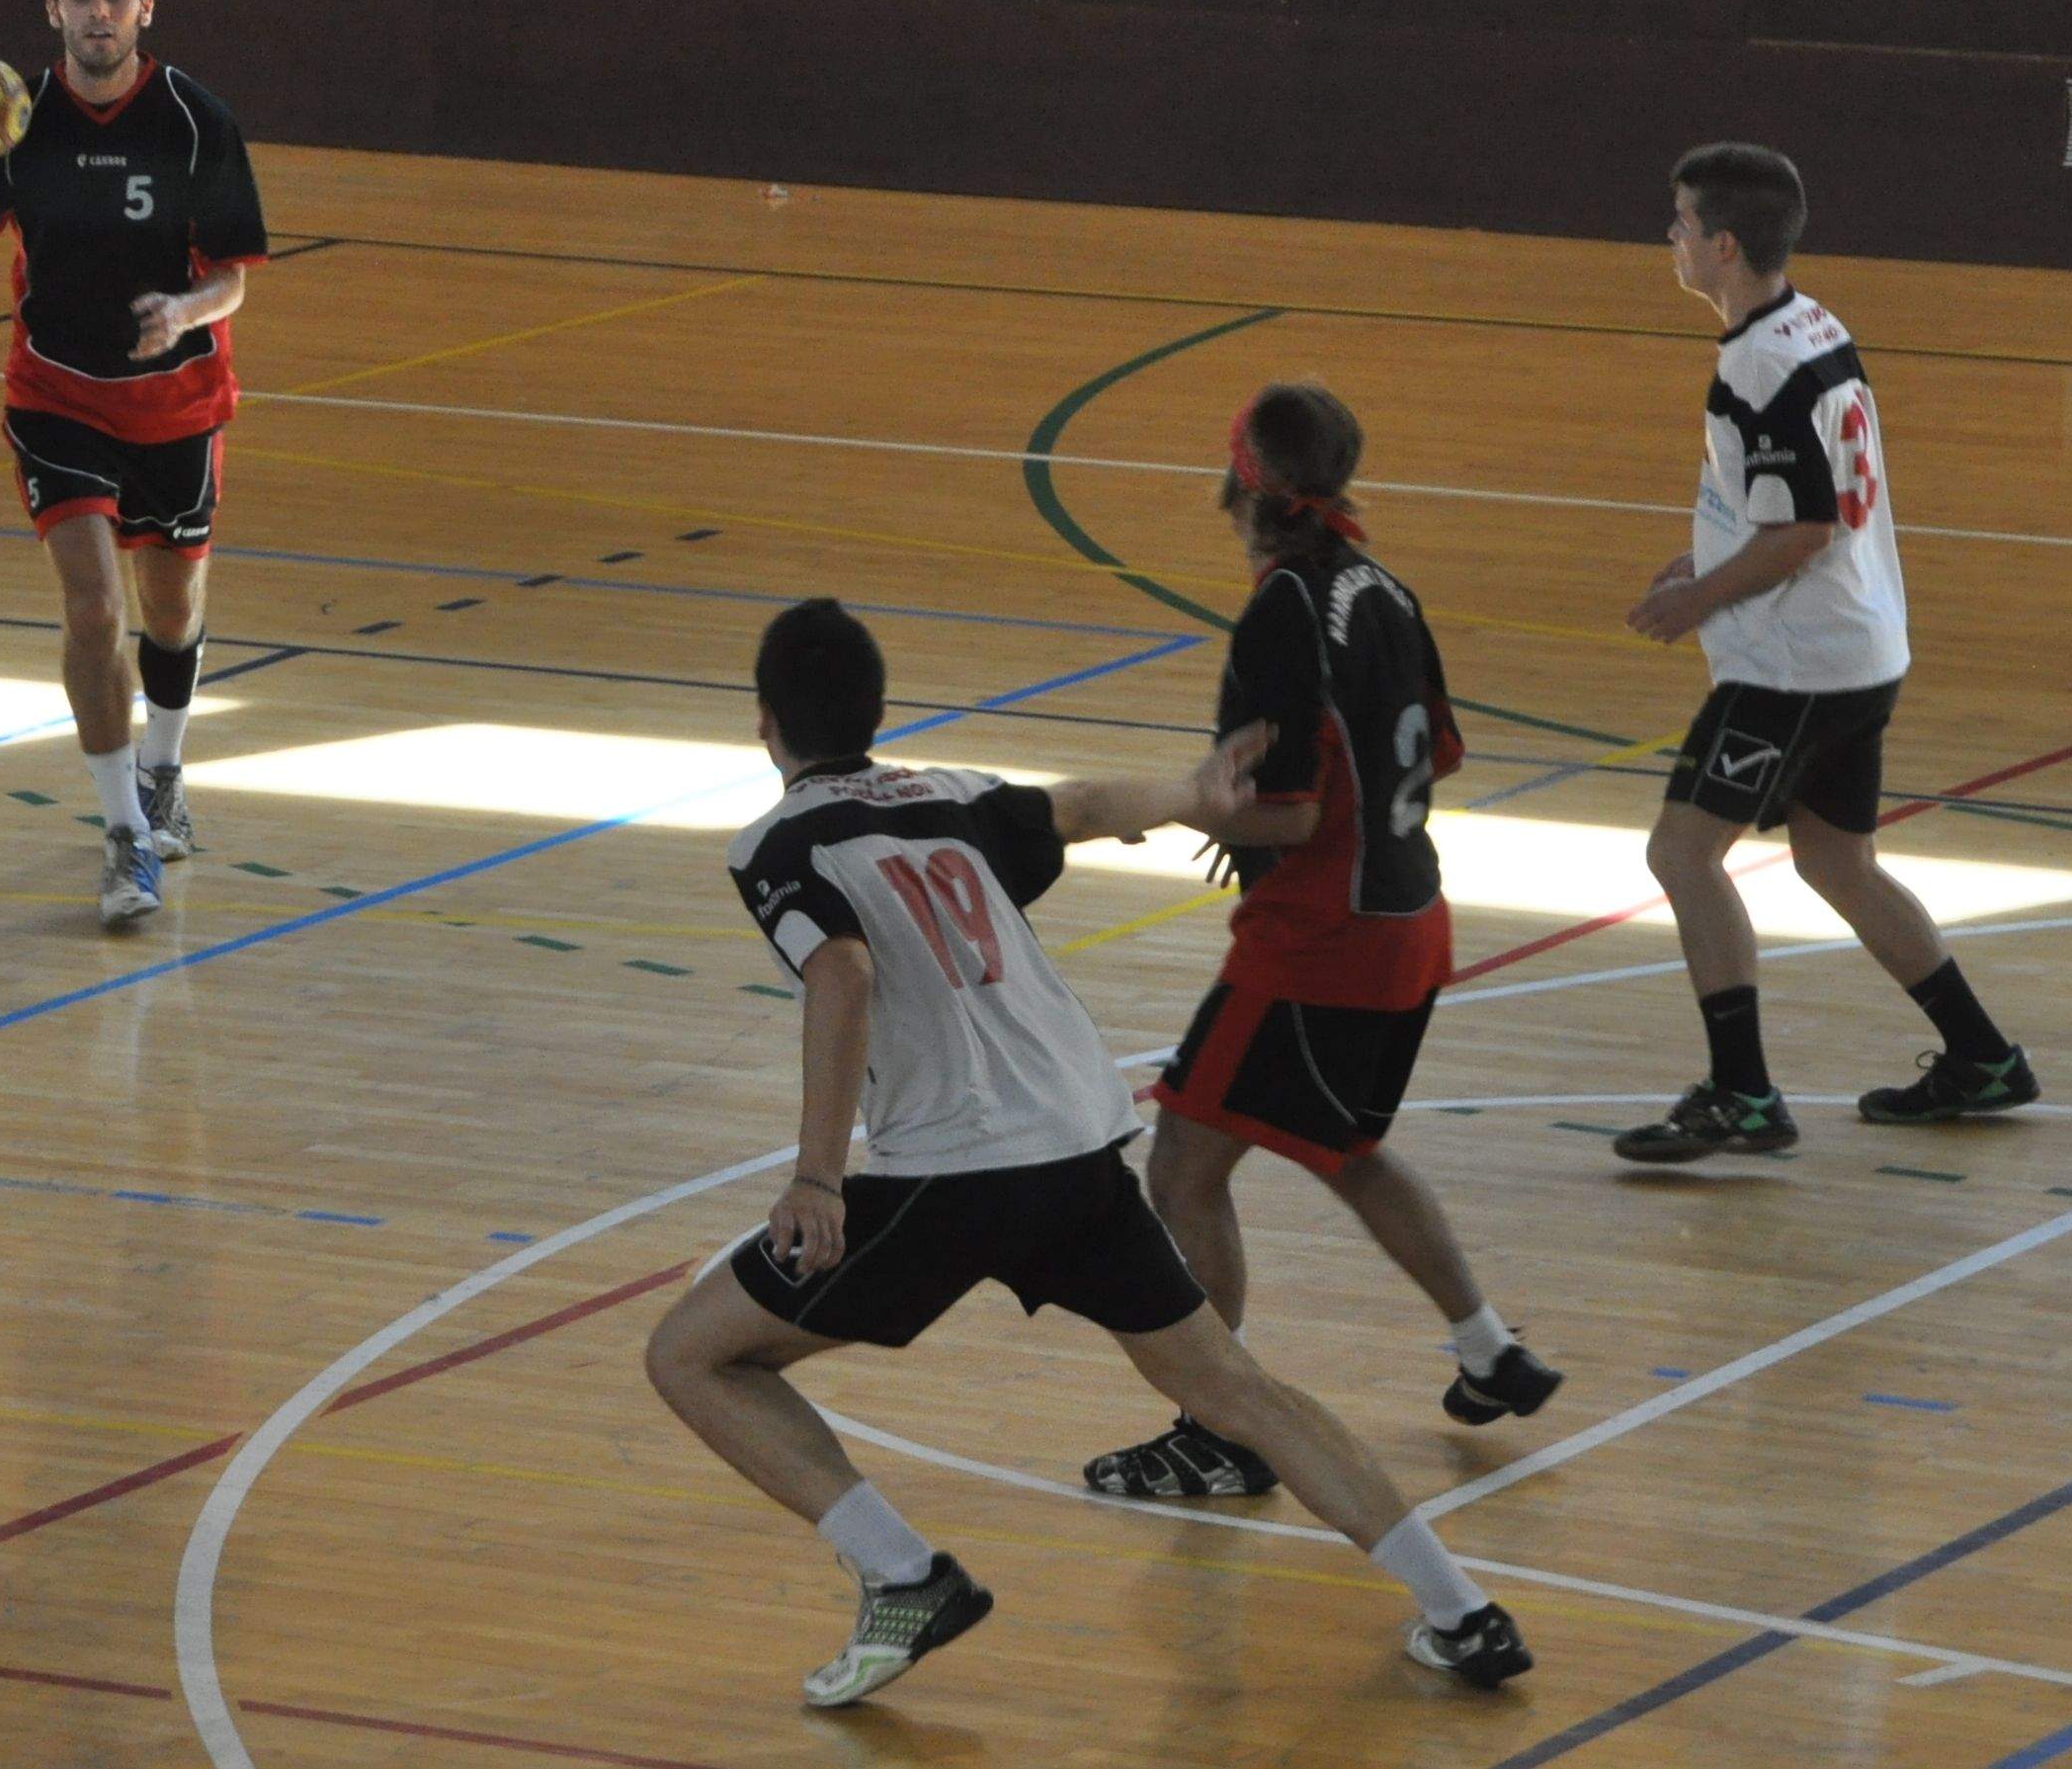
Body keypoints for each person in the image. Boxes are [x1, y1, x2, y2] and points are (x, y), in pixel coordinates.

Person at [642, 599, 1535, 1709]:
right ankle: (1462, 1609)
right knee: (1235, 1389)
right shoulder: (948, 795)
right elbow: (1072, 807)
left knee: (692, 1356)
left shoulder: (776, 844)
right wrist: (1191, 792)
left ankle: (903, 1575)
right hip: (1078, 1147)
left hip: (951, 1172)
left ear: (764, 723)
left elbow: (841, 972)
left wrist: (818, 1176)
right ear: (876, 709)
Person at [1085, 385, 1561, 1505]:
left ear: (1241, 480)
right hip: (1407, 923)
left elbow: (1290, 810)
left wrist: (1192, 806)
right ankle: (1488, 1348)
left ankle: (1220, 1431)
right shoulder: (1381, 589)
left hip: (1318, 946)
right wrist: (1275, 818)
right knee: (1343, 1148)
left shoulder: (1283, 611)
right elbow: (1433, 752)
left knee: (1183, 1167)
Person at [1612, 144, 2034, 1163]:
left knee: (1680, 853)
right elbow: (1796, 503)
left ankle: (1743, 1095)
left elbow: (1800, 528)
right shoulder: (1813, 325)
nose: (1666, 239)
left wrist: (1701, 598)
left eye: (1677, 224)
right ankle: (1982, 1058)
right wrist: (1712, 551)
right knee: (1834, 859)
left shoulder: (1753, 367)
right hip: (1859, 645)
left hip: (1788, 667)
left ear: (1720, 245)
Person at [0, 0, 268, 930]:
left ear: (144, 9)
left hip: (178, 403)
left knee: (170, 610)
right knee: (94, 611)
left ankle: (161, 770)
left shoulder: (196, 122)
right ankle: (124, 836)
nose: (97, 12)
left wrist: (184, 311)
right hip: (55, 396)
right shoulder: (16, 125)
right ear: (51, 7)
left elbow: (233, 275)